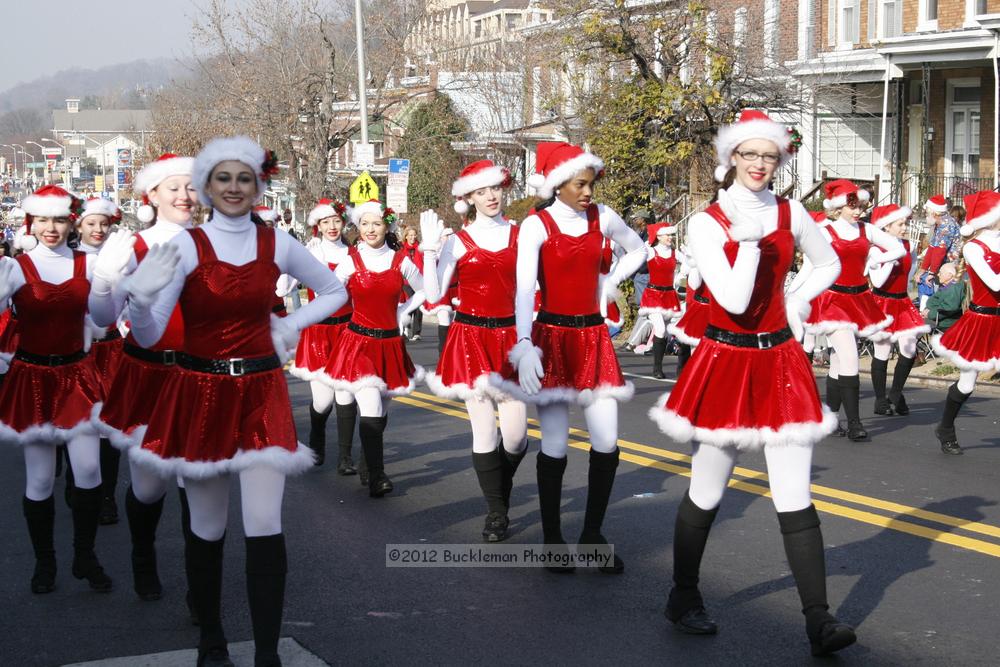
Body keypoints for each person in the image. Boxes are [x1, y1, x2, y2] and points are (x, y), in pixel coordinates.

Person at [122, 136, 348, 667]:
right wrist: (141, 297)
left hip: (261, 393)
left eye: (243, 178)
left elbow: (337, 291)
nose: (233, 187)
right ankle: (212, 640)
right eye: (223, 178)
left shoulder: (279, 244)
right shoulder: (184, 246)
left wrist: (289, 324)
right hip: (198, 390)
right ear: (206, 186)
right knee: (207, 525)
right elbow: (153, 336)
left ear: (257, 186)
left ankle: (266, 652)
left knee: (265, 524)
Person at [650, 110, 854, 656]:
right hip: (726, 361)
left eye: (770, 155)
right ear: (731, 158)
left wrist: (796, 298)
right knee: (708, 488)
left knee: (795, 494)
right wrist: (747, 244)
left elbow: (828, 261)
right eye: (750, 154)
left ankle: (819, 620)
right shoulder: (705, 222)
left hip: (781, 361)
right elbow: (736, 302)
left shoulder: (791, 210)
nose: (761, 164)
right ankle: (684, 595)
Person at [492, 141, 646, 574]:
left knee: (607, 441)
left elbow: (638, 249)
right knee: (555, 444)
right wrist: (523, 343)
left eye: (591, 184)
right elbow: (524, 289)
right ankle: (553, 539)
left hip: (593, 339)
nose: (588, 192)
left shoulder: (604, 217)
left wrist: (609, 282)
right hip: (553, 338)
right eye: (580, 184)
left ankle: (593, 535)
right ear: (558, 183)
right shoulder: (537, 225)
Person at [89, 153, 198, 604]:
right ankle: (142, 554)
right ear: (151, 195)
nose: (184, 196)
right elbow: (100, 321)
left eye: (192, 187)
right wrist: (104, 280)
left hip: (199, 375)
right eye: (173, 187)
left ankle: (200, 587)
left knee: (198, 482)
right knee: (150, 486)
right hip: (148, 374)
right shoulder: (131, 247)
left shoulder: (215, 242)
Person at [0, 185, 112, 595]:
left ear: (72, 222)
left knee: (88, 470)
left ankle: (85, 555)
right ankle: (44, 562)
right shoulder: (15, 268)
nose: (51, 228)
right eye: (44, 219)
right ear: (32, 221)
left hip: (78, 377)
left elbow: (104, 321)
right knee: (41, 480)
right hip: (31, 379)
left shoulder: (91, 263)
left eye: (60, 219)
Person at [419, 160, 529, 542]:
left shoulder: (520, 234)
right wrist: (430, 253)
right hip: (470, 339)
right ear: (469, 197)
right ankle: (497, 512)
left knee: (515, 438)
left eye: (495, 188)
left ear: (504, 189)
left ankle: (498, 488)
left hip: (511, 339)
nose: (491, 196)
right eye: (481, 191)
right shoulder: (458, 241)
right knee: (484, 434)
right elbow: (433, 296)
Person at [320, 199, 424, 497]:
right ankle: (379, 476)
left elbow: (427, 289)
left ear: (387, 226)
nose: (370, 229)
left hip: (390, 343)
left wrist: (405, 310)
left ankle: (368, 461)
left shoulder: (400, 260)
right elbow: (328, 291)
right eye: (364, 223)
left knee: (381, 409)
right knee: (370, 405)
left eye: (376, 223)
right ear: (357, 227)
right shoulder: (350, 261)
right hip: (360, 343)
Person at [801, 179, 904, 441]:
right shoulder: (824, 232)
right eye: (852, 206)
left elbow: (897, 248)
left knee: (838, 362)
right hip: (832, 301)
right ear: (838, 207)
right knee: (849, 357)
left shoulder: (866, 230)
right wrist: (791, 298)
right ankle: (855, 423)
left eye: (861, 206)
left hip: (858, 300)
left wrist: (873, 258)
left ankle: (830, 417)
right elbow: (809, 268)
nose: (858, 211)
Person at [287, 198, 359, 473]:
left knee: (346, 394)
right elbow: (283, 288)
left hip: (348, 329)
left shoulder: (354, 253)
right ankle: (316, 436)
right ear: (317, 224)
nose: (331, 226)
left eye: (336, 221)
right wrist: (293, 256)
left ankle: (345, 457)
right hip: (318, 331)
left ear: (343, 223)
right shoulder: (311, 251)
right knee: (323, 401)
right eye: (325, 221)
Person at [931, 191, 1000, 456]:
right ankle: (945, 428)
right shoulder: (973, 248)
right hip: (981, 322)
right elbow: (994, 283)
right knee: (967, 384)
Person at [72, 198, 125, 524]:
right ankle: (75, 481)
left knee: (109, 425)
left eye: (104, 223)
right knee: (77, 421)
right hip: (78, 351)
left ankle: (106, 496)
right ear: (79, 225)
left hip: (112, 349)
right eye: (91, 223)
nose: (98, 229)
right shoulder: (71, 260)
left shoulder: (120, 258)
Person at [868, 204, 929, 416]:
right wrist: (889, 261)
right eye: (900, 224)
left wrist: (907, 271)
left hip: (902, 302)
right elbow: (877, 281)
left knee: (909, 349)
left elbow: (910, 268)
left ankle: (895, 393)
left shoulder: (908, 245)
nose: (905, 227)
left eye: (905, 223)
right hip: (882, 302)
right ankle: (879, 400)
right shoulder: (876, 249)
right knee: (882, 350)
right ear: (886, 226)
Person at [639, 223, 684, 378]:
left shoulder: (674, 253)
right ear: (658, 236)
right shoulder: (651, 251)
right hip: (653, 295)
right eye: (667, 235)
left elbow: (691, 264)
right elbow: (634, 254)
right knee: (660, 329)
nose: (670, 238)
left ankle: (673, 367)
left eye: (671, 235)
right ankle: (657, 369)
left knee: (665, 332)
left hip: (669, 296)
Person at [917, 194, 961, 308]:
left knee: (943, 292)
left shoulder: (946, 224)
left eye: (927, 212)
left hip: (951, 265)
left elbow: (939, 251)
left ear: (934, 213)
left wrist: (931, 272)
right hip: (944, 263)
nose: (926, 215)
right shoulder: (940, 223)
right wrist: (923, 269)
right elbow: (932, 247)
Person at [922, 262, 964, 332]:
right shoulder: (947, 285)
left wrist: (929, 314)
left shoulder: (954, 288)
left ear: (950, 275)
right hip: (937, 319)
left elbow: (949, 308)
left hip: (945, 325)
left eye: (940, 273)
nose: (938, 275)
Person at [399, 226, 424, 341]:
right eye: (410, 235)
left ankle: (417, 332)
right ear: (406, 236)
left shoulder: (421, 248)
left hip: (419, 279)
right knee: (410, 304)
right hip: (406, 282)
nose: (413, 237)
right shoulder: (401, 249)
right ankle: (405, 327)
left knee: (419, 307)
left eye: (414, 235)